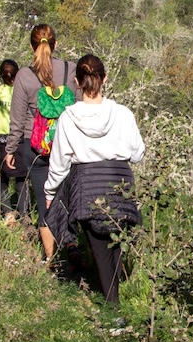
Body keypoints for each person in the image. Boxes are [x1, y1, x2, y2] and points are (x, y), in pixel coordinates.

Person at [43, 54, 145, 303]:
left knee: (99, 248)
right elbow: (138, 153)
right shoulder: (123, 114)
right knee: (115, 240)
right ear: (104, 79)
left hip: (86, 184)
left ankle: (114, 308)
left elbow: (59, 162)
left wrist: (49, 192)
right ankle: (115, 300)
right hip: (119, 180)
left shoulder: (68, 117)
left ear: (77, 81)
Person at [5, 24, 79, 263]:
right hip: (66, 144)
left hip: (34, 146)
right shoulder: (70, 70)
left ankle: (52, 259)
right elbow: (80, 110)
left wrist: (10, 149)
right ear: (55, 44)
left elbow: (16, 119)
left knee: (42, 201)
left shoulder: (24, 75)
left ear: (31, 46)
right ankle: (72, 246)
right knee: (67, 198)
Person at [0, 59, 29, 223]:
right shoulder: (23, 94)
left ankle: (7, 214)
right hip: (20, 140)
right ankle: (25, 215)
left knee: (1, 179)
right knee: (22, 178)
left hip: (0, 140)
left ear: (1, 76)